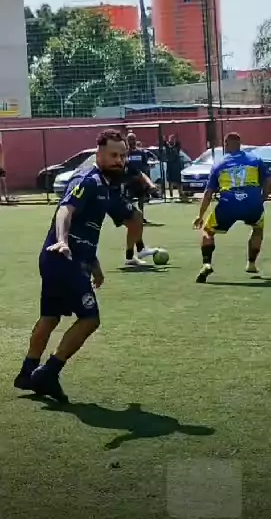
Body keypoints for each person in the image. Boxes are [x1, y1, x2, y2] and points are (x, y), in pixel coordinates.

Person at [13, 130, 154, 402]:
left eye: (122, 156)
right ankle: (48, 373)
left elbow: (88, 228)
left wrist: (94, 263)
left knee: (50, 316)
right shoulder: (88, 180)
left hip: (64, 259)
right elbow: (65, 210)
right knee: (90, 319)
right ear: (98, 153)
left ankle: (27, 372)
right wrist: (62, 241)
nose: (119, 160)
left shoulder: (106, 185)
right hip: (65, 258)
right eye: (113, 155)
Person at [192, 132, 271, 283]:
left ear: (226, 145)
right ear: (240, 144)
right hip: (252, 204)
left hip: (228, 204)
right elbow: (269, 180)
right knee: (257, 229)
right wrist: (262, 198)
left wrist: (200, 216)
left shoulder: (219, 164)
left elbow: (208, 193)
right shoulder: (255, 160)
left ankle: (206, 264)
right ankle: (251, 264)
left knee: (208, 231)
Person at [123, 133, 159, 264]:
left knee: (136, 218)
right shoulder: (122, 158)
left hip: (132, 187)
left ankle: (134, 254)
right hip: (116, 194)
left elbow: (141, 172)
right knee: (134, 219)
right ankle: (138, 250)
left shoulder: (138, 155)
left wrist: (150, 185)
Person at [164, 134, 183, 200]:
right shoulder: (167, 147)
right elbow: (163, 142)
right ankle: (171, 195)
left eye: (173, 139)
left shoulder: (176, 147)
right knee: (170, 181)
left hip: (176, 166)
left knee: (178, 181)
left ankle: (180, 194)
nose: (171, 140)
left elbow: (178, 143)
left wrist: (176, 138)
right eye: (170, 139)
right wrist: (163, 138)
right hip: (170, 166)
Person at [0, 136, 9, 203]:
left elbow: (2, 156)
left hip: (1, 167)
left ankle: (6, 196)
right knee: (2, 183)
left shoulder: (0, 146)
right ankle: (2, 196)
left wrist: (2, 166)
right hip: (1, 167)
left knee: (3, 182)